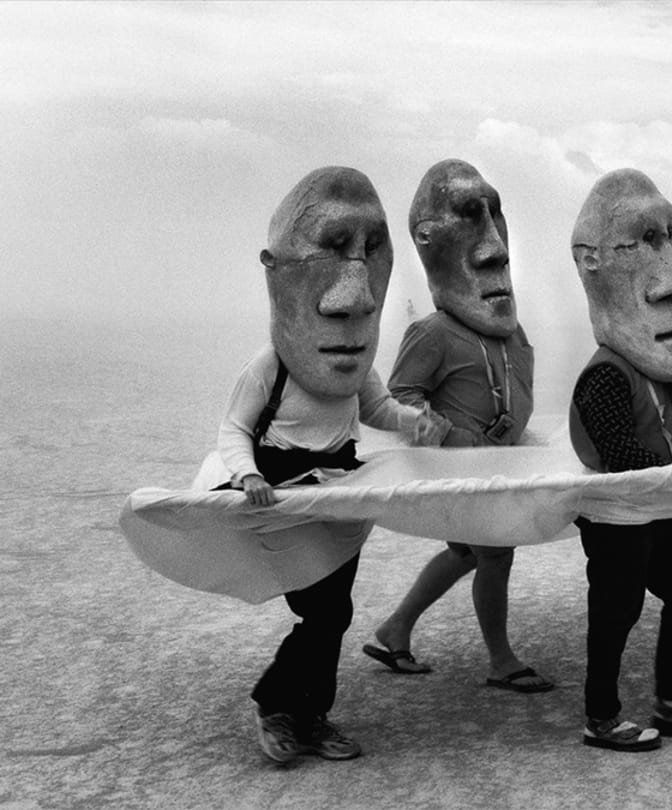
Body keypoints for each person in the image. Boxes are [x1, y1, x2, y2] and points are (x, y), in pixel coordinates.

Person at [220, 166, 445, 763]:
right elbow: (235, 428)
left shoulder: (351, 361)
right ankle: (278, 705)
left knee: (334, 613)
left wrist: (410, 422)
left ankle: (310, 715)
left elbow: (375, 407)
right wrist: (247, 475)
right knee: (325, 612)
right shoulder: (269, 367)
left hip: (340, 491)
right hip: (283, 491)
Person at [362, 159, 553, 693]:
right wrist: (448, 434)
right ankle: (501, 660)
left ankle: (394, 629)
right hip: (463, 471)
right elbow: (400, 395)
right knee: (494, 555)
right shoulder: (433, 332)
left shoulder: (508, 333)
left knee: (467, 553)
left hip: (500, 470)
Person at [568, 168, 672, 751]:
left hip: (661, 509)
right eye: (644, 241)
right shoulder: (606, 373)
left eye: (670, 238)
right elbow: (620, 454)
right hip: (619, 518)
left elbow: (668, 435)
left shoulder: (666, 369)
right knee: (616, 612)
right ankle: (601, 718)